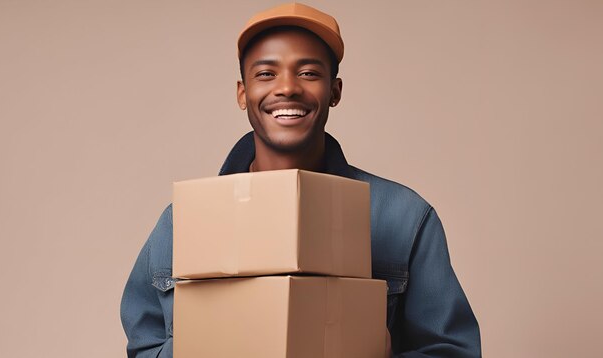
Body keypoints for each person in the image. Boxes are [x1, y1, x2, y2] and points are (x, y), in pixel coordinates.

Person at [120, 3, 481, 357]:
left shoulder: (404, 218)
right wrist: (213, 334)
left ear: (334, 91)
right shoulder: (181, 222)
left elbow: (453, 352)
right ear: (242, 94)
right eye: (266, 74)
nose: (287, 88)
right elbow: (144, 348)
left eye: (308, 72)